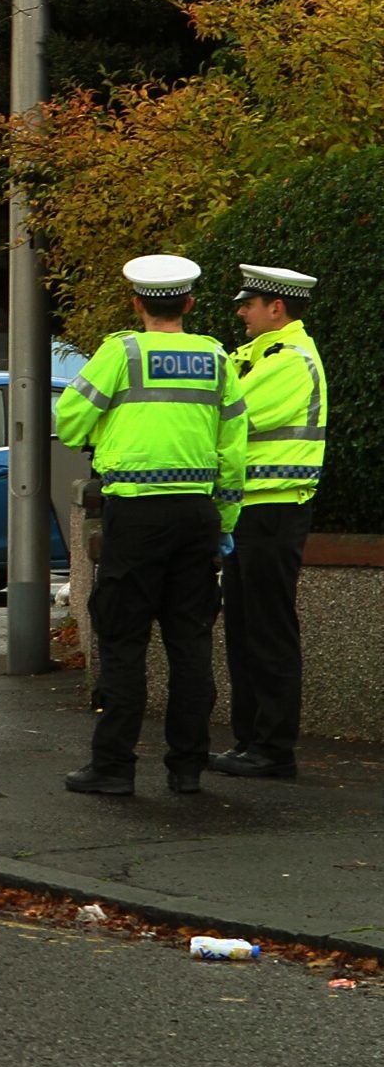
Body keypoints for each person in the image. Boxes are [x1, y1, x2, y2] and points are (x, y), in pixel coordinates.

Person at [53, 254, 246, 797]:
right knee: (190, 642)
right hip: (197, 516)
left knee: (121, 638)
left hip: (135, 514)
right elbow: (234, 450)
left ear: (137, 303)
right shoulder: (216, 358)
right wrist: (225, 518)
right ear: (188, 303)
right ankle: (187, 766)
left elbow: (70, 419)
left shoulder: (122, 353)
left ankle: (113, 766)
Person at [213, 264, 326, 780]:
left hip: (275, 509)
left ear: (275, 308)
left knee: (268, 630)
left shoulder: (290, 361)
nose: (240, 311)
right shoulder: (258, 358)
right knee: (243, 627)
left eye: (248, 303)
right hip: (250, 511)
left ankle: (274, 748)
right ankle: (250, 740)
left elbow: (231, 416)